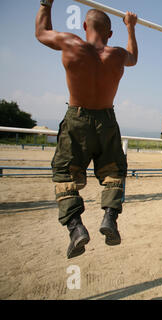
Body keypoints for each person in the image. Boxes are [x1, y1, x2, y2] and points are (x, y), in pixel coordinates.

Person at [35, 0, 138, 258]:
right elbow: (133, 58)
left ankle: (76, 228)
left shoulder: (71, 43)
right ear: (110, 33)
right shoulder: (116, 54)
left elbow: (40, 33)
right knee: (114, 170)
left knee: (64, 173)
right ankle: (110, 218)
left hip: (77, 117)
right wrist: (131, 28)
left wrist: (46, 4)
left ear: (84, 26)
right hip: (106, 119)